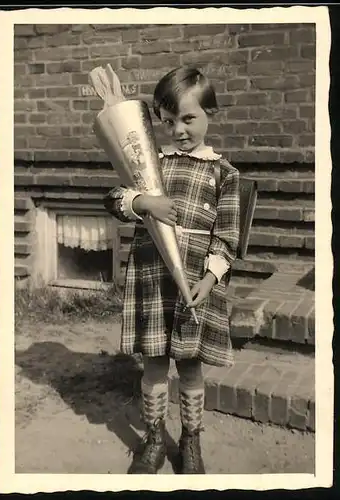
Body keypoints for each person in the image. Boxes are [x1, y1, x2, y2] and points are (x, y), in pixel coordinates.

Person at [103, 66, 240, 474]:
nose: (178, 130)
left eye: (189, 118)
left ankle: (191, 440)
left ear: (210, 114)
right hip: (151, 279)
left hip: (195, 285)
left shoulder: (224, 173)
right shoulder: (150, 163)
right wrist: (145, 204)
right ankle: (152, 439)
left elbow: (227, 238)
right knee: (155, 362)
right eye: (168, 121)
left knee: (191, 364)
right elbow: (114, 199)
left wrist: (210, 278)